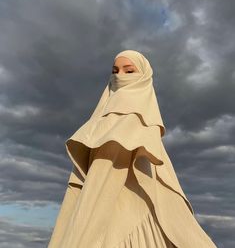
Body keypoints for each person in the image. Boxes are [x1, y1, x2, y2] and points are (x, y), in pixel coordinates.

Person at [47, 50, 217, 248]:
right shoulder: (106, 120)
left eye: (129, 71)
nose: (120, 76)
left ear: (144, 77)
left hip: (138, 215)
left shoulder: (138, 120)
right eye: (115, 71)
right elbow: (99, 177)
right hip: (108, 216)